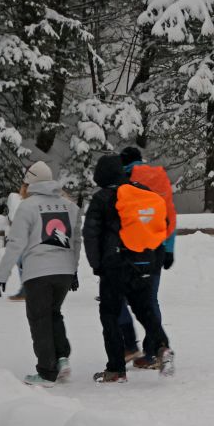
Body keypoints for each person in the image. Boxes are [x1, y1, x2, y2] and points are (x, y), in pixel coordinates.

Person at [84, 154, 175, 383]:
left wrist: (97, 265)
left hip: (115, 266)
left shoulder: (103, 198)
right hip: (145, 263)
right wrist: (155, 258)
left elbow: (91, 233)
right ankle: (162, 348)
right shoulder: (143, 191)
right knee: (145, 310)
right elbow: (162, 225)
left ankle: (115, 370)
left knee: (110, 315)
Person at [0, 161, 81, 387]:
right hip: (63, 271)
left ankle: (46, 373)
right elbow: (76, 241)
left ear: (30, 182)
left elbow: (15, 244)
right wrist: (74, 270)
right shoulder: (70, 206)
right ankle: (61, 359)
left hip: (38, 273)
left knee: (39, 319)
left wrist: (2, 275)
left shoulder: (28, 206)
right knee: (53, 313)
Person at [116, 146, 177, 370]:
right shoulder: (160, 179)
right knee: (151, 299)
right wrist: (169, 249)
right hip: (158, 247)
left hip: (131, 249)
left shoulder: (125, 179)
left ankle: (129, 346)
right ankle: (152, 353)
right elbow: (170, 215)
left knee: (117, 297)